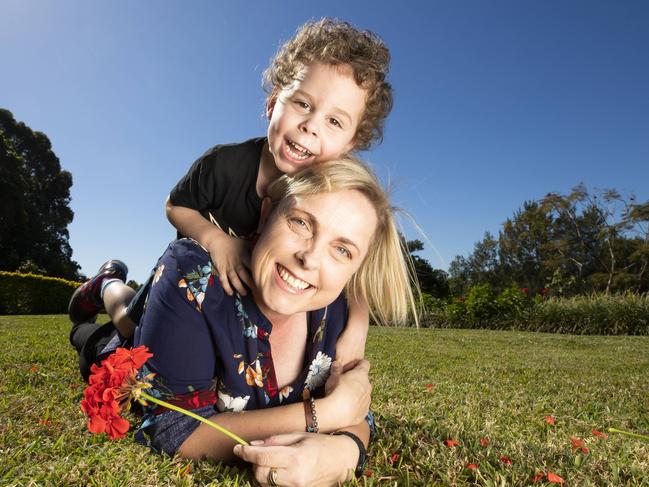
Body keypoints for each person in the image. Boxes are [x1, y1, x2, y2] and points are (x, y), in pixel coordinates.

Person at [69, 158, 418, 486]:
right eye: (300, 222)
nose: (309, 259)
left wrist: (344, 452)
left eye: (342, 250)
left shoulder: (339, 311)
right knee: (110, 328)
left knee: (131, 312)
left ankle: (109, 284)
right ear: (266, 214)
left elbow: (355, 409)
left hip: (168, 321)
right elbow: (174, 429)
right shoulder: (192, 272)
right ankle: (106, 283)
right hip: (125, 354)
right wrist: (322, 416)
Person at [68, 18, 393, 367]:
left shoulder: (333, 197)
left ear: (350, 144)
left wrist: (357, 329)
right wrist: (216, 240)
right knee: (129, 323)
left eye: (334, 121)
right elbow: (175, 206)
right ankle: (106, 285)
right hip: (188, 282)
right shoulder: (225, 163)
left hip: (240, 300)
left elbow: (357, 267)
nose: (310, 126)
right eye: (302, 103)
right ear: (273, 104)